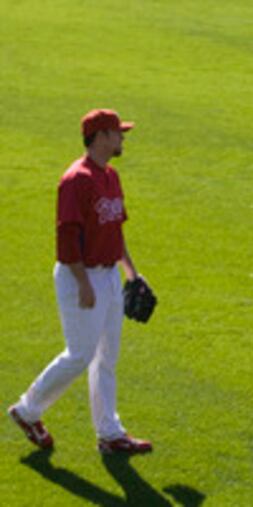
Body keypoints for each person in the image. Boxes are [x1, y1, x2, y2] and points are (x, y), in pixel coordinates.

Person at [8, 109, 153, 454]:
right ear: (100, 137)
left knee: (107, 357)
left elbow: (115, 228)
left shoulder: (111, 176)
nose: (122, 138)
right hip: (80, 275)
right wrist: (83, 283)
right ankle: (27, 411)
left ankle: (110, 433)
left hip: (109, 275)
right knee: (80, 354)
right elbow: (67, 237)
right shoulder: (76, 180)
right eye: (118, 132)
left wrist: (132, 272)